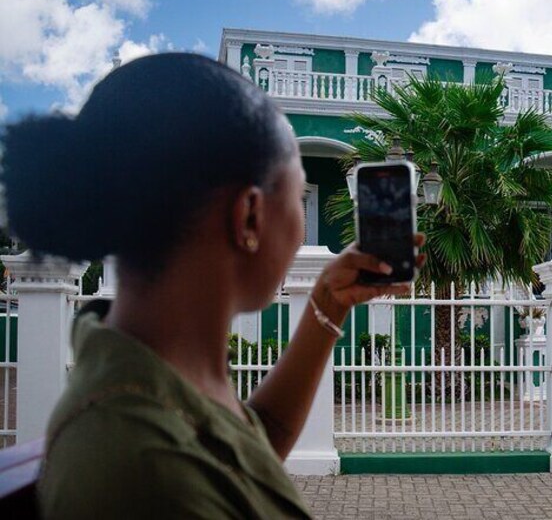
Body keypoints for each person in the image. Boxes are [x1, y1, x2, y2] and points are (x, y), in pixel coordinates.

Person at [1, 53, 423, 518]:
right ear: (250, 215)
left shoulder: (151, 380)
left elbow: (244, 447)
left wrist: (327, 305)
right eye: (298, 194)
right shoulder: (150, 474)